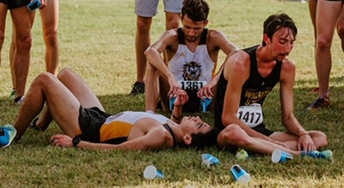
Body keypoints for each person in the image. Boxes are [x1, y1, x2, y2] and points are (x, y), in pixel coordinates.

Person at [0, 68, 219, 150]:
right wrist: (177, 112)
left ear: (188, 139)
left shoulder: (161, 136)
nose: (198, 117)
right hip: (105, 118)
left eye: (198, 123)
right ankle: (39, 124)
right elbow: (170, 123)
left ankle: (14, 134)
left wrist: (76, 143)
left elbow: (121, 149)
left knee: (44, 80)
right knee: (65, 75)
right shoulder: (173, 127)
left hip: (91, 129)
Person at [214, 13, 328, 156]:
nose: (287, 49)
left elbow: (288, 117)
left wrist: (303, 134)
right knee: (234, 133)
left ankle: (260, 149)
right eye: (282, 41)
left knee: (319, 138)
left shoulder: (287, 68)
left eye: (291, 43)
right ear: (266, 38)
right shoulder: (241, 63)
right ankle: (292, 152)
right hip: (230, 131)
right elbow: (228, 117)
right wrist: (268, 140)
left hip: (258, 131)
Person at [145, 0, 238, 112]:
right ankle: (149, 113)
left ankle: (233, 109)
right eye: (187, 27)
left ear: (205, 23)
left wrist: (215, 80)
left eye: (197, 28)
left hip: (207, 93)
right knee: (152, 65)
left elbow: (236, 53)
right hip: (174, 91)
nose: (191, 33)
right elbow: (150, 52)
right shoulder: (172, 36)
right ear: (181, 19)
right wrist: (170, 76)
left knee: (235, 66)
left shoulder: (213, 37)